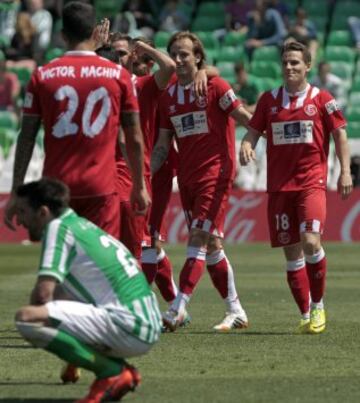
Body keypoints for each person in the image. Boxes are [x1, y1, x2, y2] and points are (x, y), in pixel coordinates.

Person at [3, 1, 150, 241]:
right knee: (99, 267)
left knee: (62, 265)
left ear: (61, 35)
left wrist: (17, 190)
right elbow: (133, 136)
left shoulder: (42, 76)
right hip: (101, 189)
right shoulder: (118, 76)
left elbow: (26, 136)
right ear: (94, 33)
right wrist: (139, 185)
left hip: (57, 191)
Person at [14, 177, 161, 403]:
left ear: (43, 212)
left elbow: (43, 295)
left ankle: (111, 372)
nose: (19, 220)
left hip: (130, 325)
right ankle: (120, 371)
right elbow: (66, 296)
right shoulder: (82, 225)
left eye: (22, 211)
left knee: (27, 319)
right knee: (59, 297)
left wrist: (70, 348)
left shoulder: (57, 228)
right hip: (145, 322)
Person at [240, 41, 353, 334]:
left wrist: (345, 171)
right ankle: (305, 314)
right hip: (279, 186)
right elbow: (253, 130)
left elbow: (340, 135)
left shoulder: (322, 99)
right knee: (291, 253)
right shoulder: (268, 100)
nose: (289, 67)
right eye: (286, 62)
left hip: (311, 182)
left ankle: (318, 306)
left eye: (295, 63)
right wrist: (246, 144)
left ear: (308, 66)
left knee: (311, 241)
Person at [151, 31, 252, 332]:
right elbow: (162, 145)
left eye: (185, 54)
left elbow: (244, 117)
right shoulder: (168, 97)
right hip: (189, 178)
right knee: (212, 244)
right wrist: (144, 174)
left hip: (217, 174)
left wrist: (253, 137)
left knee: (196, 238)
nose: (180, 59)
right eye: (175, 54)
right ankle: (236, 310)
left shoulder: (215, 86)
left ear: (197, 57)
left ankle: (177, 307)